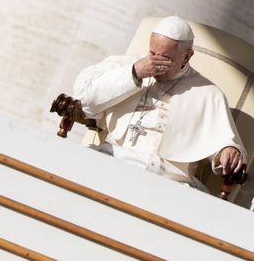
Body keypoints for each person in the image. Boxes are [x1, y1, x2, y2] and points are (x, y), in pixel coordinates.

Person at [73, 16, 246, 192]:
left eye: (165, 58)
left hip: (169, 181)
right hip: (113, 159)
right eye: (152, 54)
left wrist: (228, 151)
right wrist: (133, 73)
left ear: (186, 57)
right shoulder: (127, 65)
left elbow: (224, 142)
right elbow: (85, 100)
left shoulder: (208, 93)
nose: (154, 63)